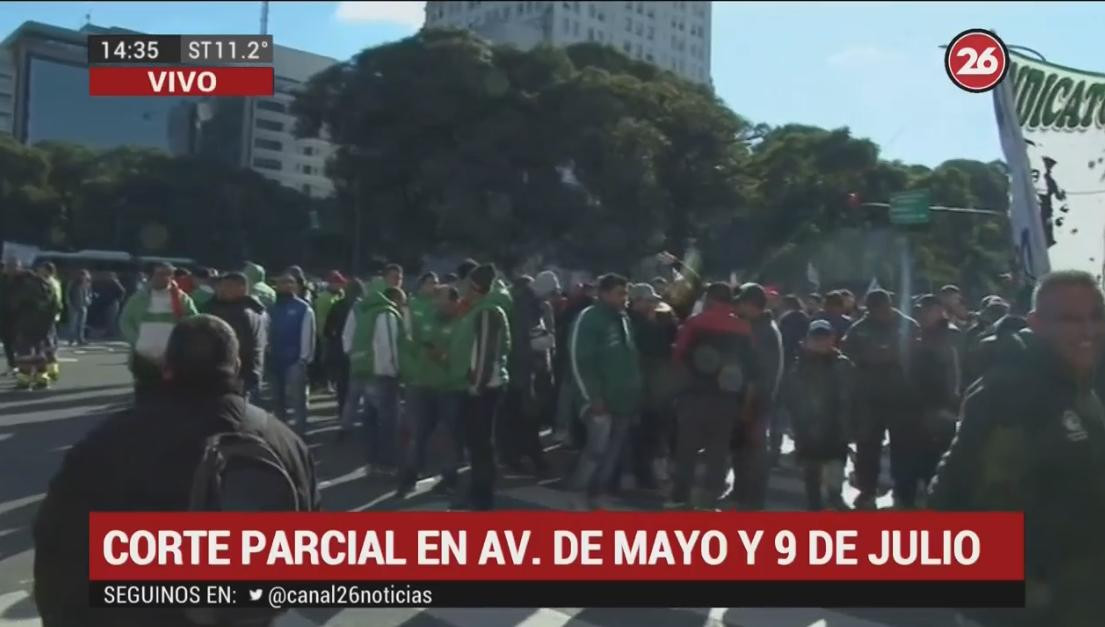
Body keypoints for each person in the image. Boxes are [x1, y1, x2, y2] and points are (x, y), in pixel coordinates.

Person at [33, 315, 320, 627]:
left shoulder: (111, 441)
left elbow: (59, 546)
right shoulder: (283, 440)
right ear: (237, 365)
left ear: (166, 367)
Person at [931, 271, 1105, 627]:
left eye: (1095, 317)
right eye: (1070, 320)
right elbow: (963, 504)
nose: (1088, 331)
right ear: (1037, 324)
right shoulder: (1012, 395)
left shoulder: (1078, 388)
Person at [669, 282, 757, 510]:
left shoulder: (695, 322)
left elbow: (678, 356)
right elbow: (750, 367)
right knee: (717, 453)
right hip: (726, 400)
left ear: (710, 298)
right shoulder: (744, 327)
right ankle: (708, 501)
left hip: (694, 396)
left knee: (686, 449)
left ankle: (680, 498)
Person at [841, 289, 921, 510]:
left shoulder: (908, 325)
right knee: (867, 447)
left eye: (882, 309)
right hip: (869, 396)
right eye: (874, 310)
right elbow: (848, 357)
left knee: (903, 448)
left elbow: (918, 357)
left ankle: (903, 492)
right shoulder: (860, 329)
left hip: (901, 395)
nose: (879, 314)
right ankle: (867, 490)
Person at [568, 273, 642, 510]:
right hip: (598, 400)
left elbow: (630, 358)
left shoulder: (623, 319)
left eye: (626, 293)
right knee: (596, 449)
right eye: (620, 293)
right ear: (604, 293)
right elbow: (579, 361)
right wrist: (592, 398)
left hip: (623, 400)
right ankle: (577, 492)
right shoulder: (589, 319)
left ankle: (598, 492)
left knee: (613, 450)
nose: (625, 298)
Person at [448, 264, 512, 510]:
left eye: (467, 285)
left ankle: (482, 497)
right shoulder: (477, 309)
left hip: (484, 389)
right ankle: (477, 491)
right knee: (476, 444)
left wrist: (477, 384)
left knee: (482, 445)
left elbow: (485, 352)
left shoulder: (488, 312)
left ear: (476, 288)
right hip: (477, 385)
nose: (462, 288)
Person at [398, 285, 467, 497]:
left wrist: (440, 355)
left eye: (442, 300)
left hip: (450, 388)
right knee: (418, 434)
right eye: (436, 299)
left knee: (448, 435)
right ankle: (409, 476)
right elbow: (412, 343)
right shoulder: (429, 318)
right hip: (423, 385)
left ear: (454, 301)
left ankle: (450, 478)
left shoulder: (463, 324)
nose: (437, 304)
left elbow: (460, 357)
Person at [783, 320, 853, 511]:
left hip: (836, 428)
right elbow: (792, 396)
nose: (821, 342)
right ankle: (815, 506)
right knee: (811, 472)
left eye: (825, 338)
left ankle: (834, 497)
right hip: (808, 429)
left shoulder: (842, 364)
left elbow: (853, 395)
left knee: (836, 469)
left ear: (833, 339)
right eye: (816, 338)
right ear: (808, 340)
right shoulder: (800, 365)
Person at [342, 277, 403, 474]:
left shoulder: (363, 310)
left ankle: (371, 461)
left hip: (361, 370)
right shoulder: (385, 313)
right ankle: (387, 462)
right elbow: (388, 346)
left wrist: (355, 358)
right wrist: (394, 371)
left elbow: (347, 338)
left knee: (369, 418)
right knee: (388, 420)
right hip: (382, 372)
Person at [907, 295, 962, 508]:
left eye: (929, 309)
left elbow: (954, 372)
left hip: (940, 405)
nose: (924, 313)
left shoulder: (949, 335)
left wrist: (951, 404)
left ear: (939, 311)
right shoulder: (919, 332)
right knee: (922, 456)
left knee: (940, 455)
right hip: (919, 405)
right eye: (922, 309)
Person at [734, 283, 783, 510]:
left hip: (756, 400)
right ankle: (742, 492)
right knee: (744, 450)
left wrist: (748, 403)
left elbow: (759, 373)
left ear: (750, 304)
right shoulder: (760, 325)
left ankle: (752, 500)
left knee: (753, 451)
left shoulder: (763, 331)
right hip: (752, 398)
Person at [627, 282, 679, 490]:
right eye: (648, 301)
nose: (652, 305)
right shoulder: (635, 324)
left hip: (655, 386)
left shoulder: (655, 322)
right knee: (644, 432)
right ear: (637, 302)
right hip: (644, 386)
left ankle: (643, 472)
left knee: (651, 431)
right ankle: (641, 474)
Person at [119, 263, 198, 395]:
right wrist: (137, 341)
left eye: (169, 274)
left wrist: (183, 341)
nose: (165, 278)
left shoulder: (181, 297)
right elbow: (125, 321)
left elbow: (194, 319)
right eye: (161, 274)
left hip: (172, 354)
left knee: (171, 391)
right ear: (151, 276)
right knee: (145, 390)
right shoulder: (139, 298)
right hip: (144, 354)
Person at [501, 275, 552, 477]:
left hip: (527, 369)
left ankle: (524, 453)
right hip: (523, 370)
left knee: (525, 417)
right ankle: (520, 455)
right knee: (522, 417)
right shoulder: (526, 307)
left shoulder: (532, 304)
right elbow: (521, 340)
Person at [203, 272, 267, 402]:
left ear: (241, 289)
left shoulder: (241, 313)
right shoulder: (254, 308)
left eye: (227, 286)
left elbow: (236, 347)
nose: (221, 289)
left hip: (237, 375)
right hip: (246, 373)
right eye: (220, 286)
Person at [267, 273, 316, 435]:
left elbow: (308, 334)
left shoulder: (303, 308)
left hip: (295, 361)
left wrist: (304, 358)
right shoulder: (272, 308)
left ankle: (300, 434)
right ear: (277, 286)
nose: (287, 285)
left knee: (298, 402)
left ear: (296, 286)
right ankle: (280, 436)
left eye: (290, 282)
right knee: (277, 401)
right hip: (275, 360)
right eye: (283, 282)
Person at [7, 262, 60, 390]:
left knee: (24, 353)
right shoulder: (49, 286)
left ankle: (24, 381)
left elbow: (15, 304)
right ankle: (42, 379)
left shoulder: (27, 286)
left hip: (27, 323)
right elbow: (56, 305)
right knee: (39, 352)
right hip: (43, 326)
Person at [324, 278, 363, 434]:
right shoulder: (363, 308)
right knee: (358, 388)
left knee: (342, 387)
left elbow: (328, 330)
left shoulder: (338, 305)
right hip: (359, 352)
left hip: (340, 351)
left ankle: (343, 417)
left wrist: (334, 339)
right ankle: (356, 419)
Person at [311, 270, 346, 389]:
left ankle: (330, 382)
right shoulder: (324, 298)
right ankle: (325, 383)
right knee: (325, 360)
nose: (341, 285)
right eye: (338, 283)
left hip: (334, 334)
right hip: (326, 335)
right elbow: (321, 318)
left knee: (332, 360)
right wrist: (323, 335)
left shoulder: (337, 295)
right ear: (331, 283)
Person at [36, 261, 63, 382]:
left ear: (47, 270)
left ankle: (51, 369)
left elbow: (53, 299)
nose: (38, 271)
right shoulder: (55, 282)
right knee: (49, 341)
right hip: (51, 314)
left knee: (47, 342)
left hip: (47, 315)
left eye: (41, 269)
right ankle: (52, 369)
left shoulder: (48, 283)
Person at [0, 257, 23, 373]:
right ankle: (12, 364)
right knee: (7, 341)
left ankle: (21, 365)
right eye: (8, 267)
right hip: (4, 315)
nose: (10, 269)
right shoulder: (2, 280)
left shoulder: (24, 280)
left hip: (19, 316)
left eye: (13, 266)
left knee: (19, 342)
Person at [66, 269, 93, 346]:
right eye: (84, 275)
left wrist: (89, 299)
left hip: (84, 305)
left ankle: (80, 339)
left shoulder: (87, 283)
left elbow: (90, 293)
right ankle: (71, 339)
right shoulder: (73, 283)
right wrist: (69, 303)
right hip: (74, 305)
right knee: (73, 324)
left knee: (81, 324)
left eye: (86, 275)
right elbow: (68, 293)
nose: (85, 277)